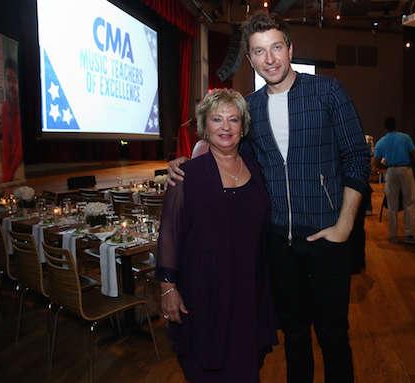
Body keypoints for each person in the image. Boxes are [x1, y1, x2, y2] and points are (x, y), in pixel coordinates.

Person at [168, 11, 371, 383]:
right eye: (260, 52)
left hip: (328, 238)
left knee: (333, 337)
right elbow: (223, 146)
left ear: (290, 48)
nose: (270, 59)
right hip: (277, 245)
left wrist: (344, 226)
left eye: (276, 47)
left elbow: (358, 157)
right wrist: (188, 159)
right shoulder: (251, 108)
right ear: (250, 59)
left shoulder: (327, 91)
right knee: (293, 337)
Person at [155, 88, 278, 382]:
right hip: (204, 293)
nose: (225, 127)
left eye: (233, 120)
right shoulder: (187, 173)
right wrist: (167, 289)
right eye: (217, 119)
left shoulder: (257, 168)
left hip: (250, 290)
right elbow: (169, 234)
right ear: (204, 126)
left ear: (243, 127)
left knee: (247, 368)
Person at [374, 117, 415, 245]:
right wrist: (407, 164)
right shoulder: (405, 137)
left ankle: (393, 235)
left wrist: (388, 166)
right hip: (405, 169)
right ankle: (409, 234)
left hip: (391, 171)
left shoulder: (380, 142)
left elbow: (377, 163)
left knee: (392, 204)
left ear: (385, 127)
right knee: (409, 202)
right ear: (395, 125)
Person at [0, 57, 23, 184]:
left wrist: (10, 172)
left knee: (15, 180)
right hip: (10, 162)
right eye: (8, 80)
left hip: (20, 161)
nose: (11, 85)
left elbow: (21, 148)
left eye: (15, 80)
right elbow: (6, 144)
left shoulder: (23, 107)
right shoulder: (5, 106)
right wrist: (5, 169)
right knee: (0, 182)